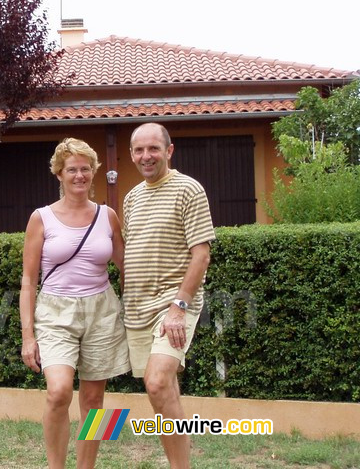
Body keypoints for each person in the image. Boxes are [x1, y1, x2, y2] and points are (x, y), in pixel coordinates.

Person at [20, 138, 130, 469]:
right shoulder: (40, 218)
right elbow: (27, 281)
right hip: (55, 311)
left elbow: (126, 269)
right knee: (58, 391)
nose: (79, 175)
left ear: (94, 172)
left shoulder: (108, 216)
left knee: (96, 400)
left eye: (85, 169)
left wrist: (143, 310)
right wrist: (28, 337)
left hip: (102, 310)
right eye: (72, 169)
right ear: (59, 173)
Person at [122, 123, 215, 469]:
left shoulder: (189, 190)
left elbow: (201, 254)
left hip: (173, 306)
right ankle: (181, 457)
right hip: (137, 309)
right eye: (139, 150)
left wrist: (180, 306)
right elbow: (132, 251)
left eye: (153, 149)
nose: (146, 156)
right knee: (163, 390)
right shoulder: (131, 198)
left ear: (169, 150)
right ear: (132, 154)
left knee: (158, 383)